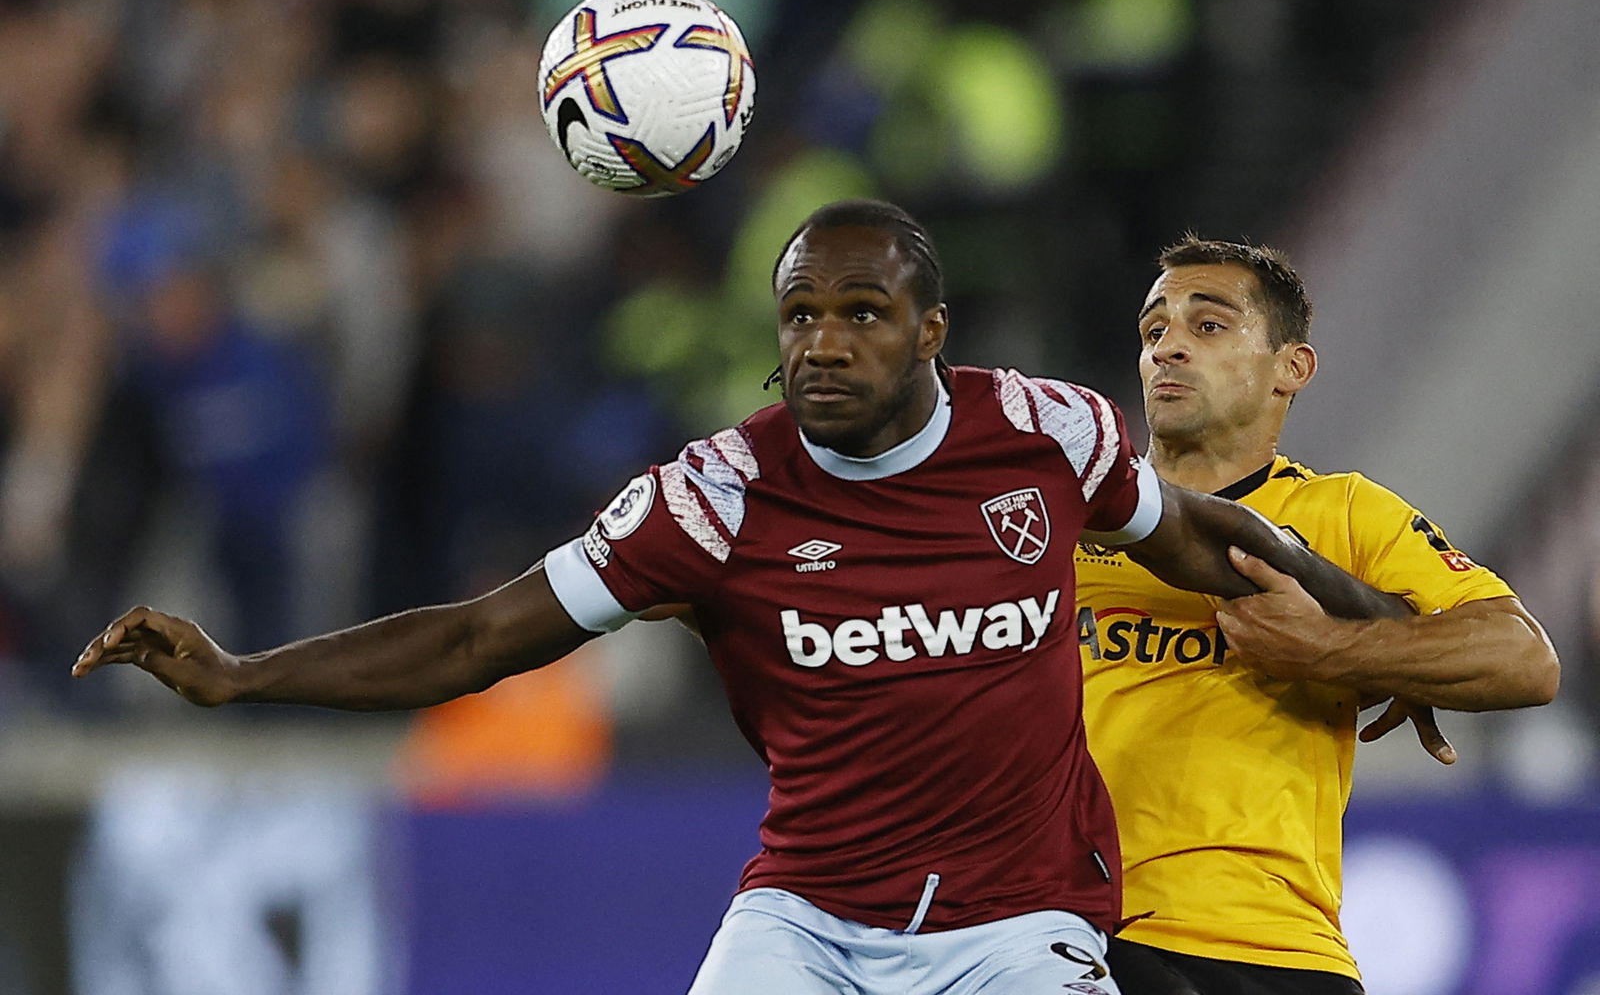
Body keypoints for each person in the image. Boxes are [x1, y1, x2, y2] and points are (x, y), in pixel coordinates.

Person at [76, 200, 1417, 995]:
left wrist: (1377, 637)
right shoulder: (713, 498)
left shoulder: (1042, 437)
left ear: (929, 334)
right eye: (801, 317)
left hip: (1021, 927)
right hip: (810, 924)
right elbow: (484, 634)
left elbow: (1197, 537)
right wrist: (247, 674)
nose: (824, 344)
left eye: (861, 315)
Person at [1076, 236, 1560, 995]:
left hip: (1263, 946)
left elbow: (1524, 660)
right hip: (1061, 937)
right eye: (1153, 329)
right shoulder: (1064, 522)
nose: (1168, 347)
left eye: (1207, 326)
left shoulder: (1341, 513)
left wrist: (1335, 651)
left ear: (1290, 368)